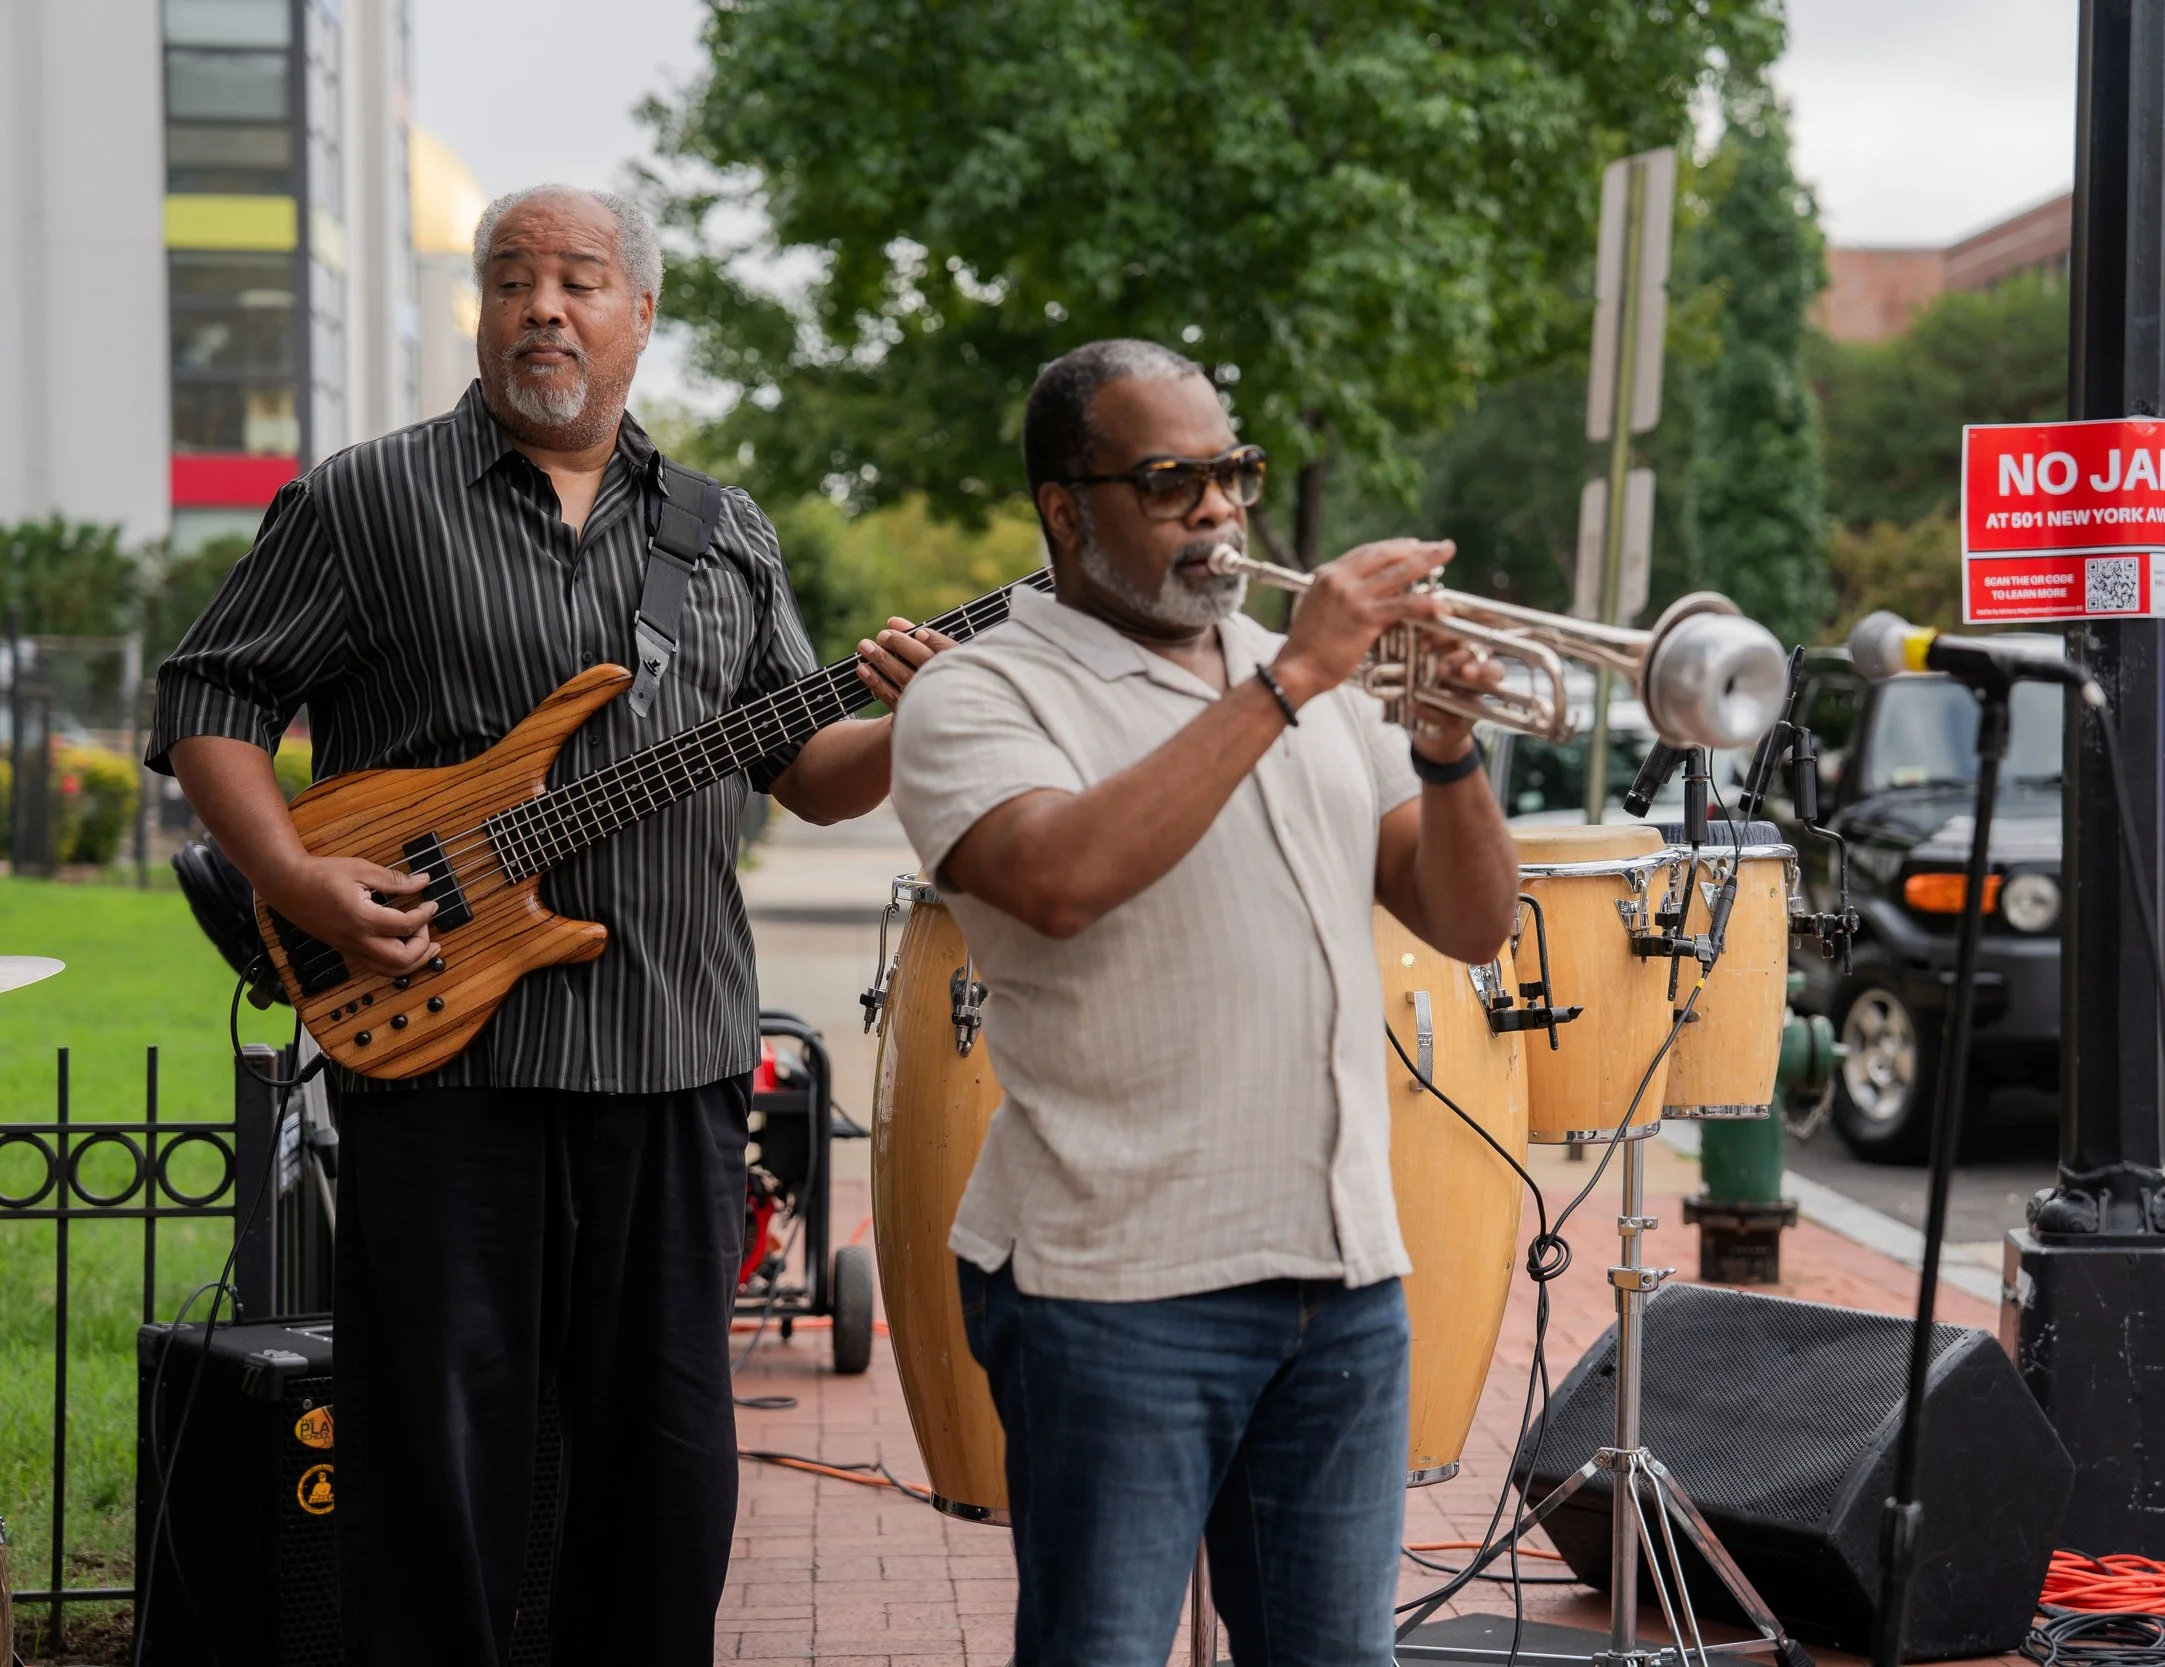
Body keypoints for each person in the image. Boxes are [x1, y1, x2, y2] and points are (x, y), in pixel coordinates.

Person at [150, 185, 945, 1664]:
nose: (544, 307)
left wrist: (916, 714)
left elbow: (807, 773)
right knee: (432, 1461)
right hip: (446, 1066)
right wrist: (299, 876)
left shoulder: (725, 533)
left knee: (666, 1463)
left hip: (673, 1056)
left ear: (641, 315)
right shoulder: (367, 499)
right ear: (482, 310)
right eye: (512, 278)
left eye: (580, 280)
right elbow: (211, 698)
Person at [887, 338, 1521, 1666]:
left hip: (1343, 1275)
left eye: (1232, 473)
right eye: (1172, 481)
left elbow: (1467, 919)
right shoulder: (978, 690)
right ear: (1068, 509)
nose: (1220, 511)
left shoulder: (1317, 687)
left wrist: (1451, 756)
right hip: (1117, 1284)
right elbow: (1061, 877)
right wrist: (1287, 679)